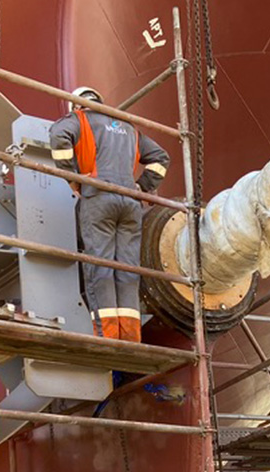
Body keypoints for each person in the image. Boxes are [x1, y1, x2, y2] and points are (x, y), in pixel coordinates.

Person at [49, 86, 170, 342]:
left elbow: (59, 136)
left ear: (77, 105)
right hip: (129, 204)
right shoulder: (127, 127)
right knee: (127, 268)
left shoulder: (80, 119)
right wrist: (142, 187)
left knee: (101, 265)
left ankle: (108, 336)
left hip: (99, 197)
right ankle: (130, 337)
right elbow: (161, 157)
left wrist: (72, 177)